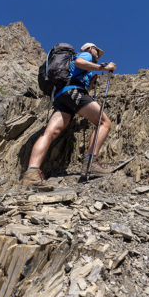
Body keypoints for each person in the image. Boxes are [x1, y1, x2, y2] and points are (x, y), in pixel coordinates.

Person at [22, 43, 116, 188]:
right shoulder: (86, 55)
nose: (98, 54)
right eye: (97, 50)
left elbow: (81, 76)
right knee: (104, 122)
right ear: (90, 49)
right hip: (73, 92)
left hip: (61, 97)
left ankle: (32, 174)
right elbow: (79, 62)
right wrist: (103, 67)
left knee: (50, 133)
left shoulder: (83, 66)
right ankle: (91, 164)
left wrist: (93, 79)